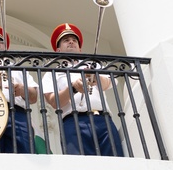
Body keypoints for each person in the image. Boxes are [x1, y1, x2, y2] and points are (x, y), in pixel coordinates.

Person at [41, 23, 124, 156]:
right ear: (58, 50)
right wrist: (74, 87)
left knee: (115, 161)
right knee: (81, 167)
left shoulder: (93, 65)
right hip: (73, 122)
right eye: (66, 40)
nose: (71, 42)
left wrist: (95, 77)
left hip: (103, 119)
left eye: (74, 40)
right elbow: (54, 102)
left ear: (80, 49)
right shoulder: (52, 72)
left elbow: (110, 83)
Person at [0, 25, 38, 153]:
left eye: (0, 40)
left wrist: (22, 89)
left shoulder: (18, 68)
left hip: (16, 113)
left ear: (6, 46)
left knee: (22, 153)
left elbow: (33, 97)